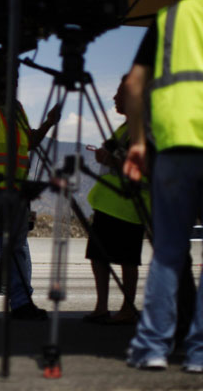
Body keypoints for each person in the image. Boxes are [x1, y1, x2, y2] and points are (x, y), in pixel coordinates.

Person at [123, 0, 203, 373]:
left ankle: (153, 346)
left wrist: (138, 139)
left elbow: (135, 83)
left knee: (169, 250)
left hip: (174, 146)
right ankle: (200, 353)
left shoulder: (170, 18)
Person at [0, 87, 61, 347]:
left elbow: (28, 142)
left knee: (16, 247)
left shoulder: (16, 109)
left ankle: (20, 302)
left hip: (16, 189)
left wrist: (49, 123)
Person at [83, 75, 150, 325]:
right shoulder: (126, 127)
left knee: (127, 259)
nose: (114, 98)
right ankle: (103, 307)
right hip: (109, 204)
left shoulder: (141, 128)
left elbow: (144, 167)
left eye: (119, 92)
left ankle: (128, 308)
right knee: (99, 256)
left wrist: (110, 160)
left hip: (128, 206)